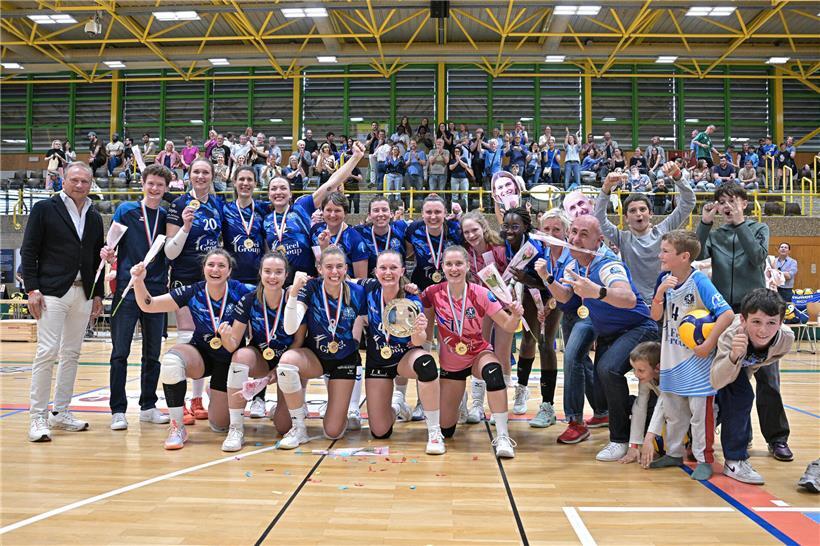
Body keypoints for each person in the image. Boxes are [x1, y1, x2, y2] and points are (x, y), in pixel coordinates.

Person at [697, 184, 793, 462]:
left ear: (744, 204)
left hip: (757, 311)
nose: (726, 206)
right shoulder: (716, 234)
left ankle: (777, 439)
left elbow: (758, 257)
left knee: (768, 378)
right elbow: (698, 255)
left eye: (732, 201)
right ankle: (743, 434)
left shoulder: (758, 228)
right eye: (721, 202)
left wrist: (740, 223)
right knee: (733, 378)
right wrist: (704, 223)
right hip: (727, 313)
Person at [131, 249, 253, 449]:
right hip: (201, 354)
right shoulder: (193, 291)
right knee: (171, 362)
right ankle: (177, 427)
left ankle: (215, 393)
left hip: (229, 360)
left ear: (229, 271)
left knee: (219, 425)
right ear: (203, 268)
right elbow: (149, 305)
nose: (215, 270)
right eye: (211, 265)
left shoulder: (241, 290)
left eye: (222, 265)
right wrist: (139, 281)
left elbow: (269, 293)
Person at [560, 215, 659, 462]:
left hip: (638, 327)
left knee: (608, 370)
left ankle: (620, 440)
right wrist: (545, 278)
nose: (575, 238)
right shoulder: (578, 266)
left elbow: (628, 298)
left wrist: (597, 292)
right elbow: (565, 300)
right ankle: (643, 415)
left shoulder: (607, 264)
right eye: (573, 232)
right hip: (610, 334)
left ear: (598, 241)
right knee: (602, 392)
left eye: (584, 234)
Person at [21, 162, 105, 442]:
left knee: (72, 353)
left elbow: (96, 258)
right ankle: (37, 417)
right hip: (51, 293)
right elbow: (29, 249)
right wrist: (32, 289)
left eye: (85, 181)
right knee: (46, 352)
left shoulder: (93, 216)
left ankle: (61, 412)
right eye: (74, 180)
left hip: (82, 293)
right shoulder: (45, 209)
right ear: (63, 180)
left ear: (91, 183)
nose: (79, 185)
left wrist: (97, 293)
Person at [420, 245, 524, 458]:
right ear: (442, 267)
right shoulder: (432, 293)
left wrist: (515, 315)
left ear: (468, 266)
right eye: (449, 264)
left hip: (478, 354)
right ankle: (460, 401)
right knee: (446, 430)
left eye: (459, 263)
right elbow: (422, 324)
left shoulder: (482, 293)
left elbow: (508, 325)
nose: (454, 268)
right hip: (451, 363)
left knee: (494, 372)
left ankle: (503, 436)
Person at [647, 230, 734, 480]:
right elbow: (655, 316)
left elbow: (726, 314)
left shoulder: (700, 281)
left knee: (700, 416)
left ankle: (705, 458)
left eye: (665, 251)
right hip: (672, 357)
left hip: (697, 362)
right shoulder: (666, 278)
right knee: (674, 414)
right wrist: (659, 293)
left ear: (684, 256)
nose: (660, 255)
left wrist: (708, 344)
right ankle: (674, 453)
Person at [101, 164, 172, 431]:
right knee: (120, 352)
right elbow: (111, 245)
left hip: (156, 293)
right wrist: (108, 254)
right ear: (143, 184)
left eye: (160, 185)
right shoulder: (125, 210)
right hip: (127, 290)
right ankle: (118, 410)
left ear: (166, 188)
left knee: (153, 353)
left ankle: (148, 406)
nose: (155, 189)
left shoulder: (166, 215)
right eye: (151, 183)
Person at [277, 246, 368, 448]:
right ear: (320, 268)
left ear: (346, 269)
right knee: (287, 362)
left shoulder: (358, 292)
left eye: (339, 267)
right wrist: (293, 294)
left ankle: (339, 408)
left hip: (344, 359)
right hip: (315, 357)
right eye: (329, 267)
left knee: (333, 432)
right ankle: (298, 427)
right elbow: (290, 326)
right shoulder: (310, 288)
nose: (334, 272)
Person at [359, 251, 445, 454]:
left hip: (405, 357)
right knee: (380, 432)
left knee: (426, 365)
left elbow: (418, 341)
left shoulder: (411, 298)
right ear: (375, 271)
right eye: (383, 268)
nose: (388, 273)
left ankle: (434, 432)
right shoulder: (368, 289)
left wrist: (419, 330)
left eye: (393, 268)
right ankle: (398, 405)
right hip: (378, 361)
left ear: (402, 271)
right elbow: (342, 279)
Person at [219, 252, 304, 451]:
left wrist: (279, 368)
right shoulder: (249, 300)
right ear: (260, 273)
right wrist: (225, 336)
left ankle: (285, 407)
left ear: (286, 275)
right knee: (240, 356)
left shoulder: (295, 300)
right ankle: (236, 428)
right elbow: (233, 344)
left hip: (289, 360)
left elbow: (299, 340)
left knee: (283, 426)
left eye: (278, 272)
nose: (272, 277)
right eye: (267, 271)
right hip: (261, 359)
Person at [535, 209, 605, 443]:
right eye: (547, 229)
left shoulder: (575, 254)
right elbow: (560, 295)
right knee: (582, 361)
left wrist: (548, 279)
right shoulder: (545, 252)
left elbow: (566, 292)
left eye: (557, 229)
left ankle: (575, 421)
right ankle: (602, 410)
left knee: (572, 357)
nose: (551, 233)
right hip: (570, 312)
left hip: (587, 311)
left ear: (565, 232)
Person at [711, 289, 794, 484]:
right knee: (739, 396)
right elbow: (716, 380)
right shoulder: (731, 336)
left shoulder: (786, 339)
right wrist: (734, 357)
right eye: (756, 321)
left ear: (781, 323)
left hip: (747, 365)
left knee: (750, 394)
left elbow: (761, 361)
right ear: (743, 320)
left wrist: (748, 369)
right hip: (717, 360)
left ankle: (753, 442)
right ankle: (735, 460)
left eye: (771, 323)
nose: (763, 330)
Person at [165, 157, 224, 423]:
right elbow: (170, 251)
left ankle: (198, 398)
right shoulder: (178, 205)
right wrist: (186, 227)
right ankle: (182, 398)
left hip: (211, 278)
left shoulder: (218, 205)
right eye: (196, 172)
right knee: (187, 335)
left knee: (207, 336)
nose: (201, 176)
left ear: (212, 176)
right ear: (189, 175)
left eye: (205, 172)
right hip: (185, 277)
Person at [264, 142, 364, 284]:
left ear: (290, 193)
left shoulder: (301, 207)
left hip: (306, 281)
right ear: (268, 195)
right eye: (274, 189)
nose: (278, 192)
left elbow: (331, 185)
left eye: (283, 188)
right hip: (278, 282)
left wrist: (356, 157)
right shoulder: (265, 218)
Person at [595, 164, 696, 304]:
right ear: (625, 217)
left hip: (664, 302)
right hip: (635, 305)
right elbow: (599, 218)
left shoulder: (663, 230)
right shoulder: (622, 238)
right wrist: (606, 189)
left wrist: (678, 176)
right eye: (632, 211)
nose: (638, 214)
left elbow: (688, 202)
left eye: (643, 209)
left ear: (651, 213)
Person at [618, 341, 664, 465]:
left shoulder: (670, 377)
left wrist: (649, 439)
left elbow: (663, 407)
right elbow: (640, 407)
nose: (636, 374)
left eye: (641, 370)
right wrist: (634, 445)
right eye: (634, 369)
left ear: (658, 368)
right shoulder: (647, 378)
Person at [311, 192, 370, 279]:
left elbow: (360, 280)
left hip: (345, 288)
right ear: (322, 211)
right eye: (328, 210)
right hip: (320, 286)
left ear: (345, 213)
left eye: (337, 210)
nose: (332, 215)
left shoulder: (355, 239)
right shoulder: (315, 231)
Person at [356, 197, 408, 276]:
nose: (380, 214)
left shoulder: (401, 228)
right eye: (376, 210)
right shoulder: (360, 232)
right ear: (369, 215)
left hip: (398, 283)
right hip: (371, 284)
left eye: (384, 210)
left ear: (391, 214)